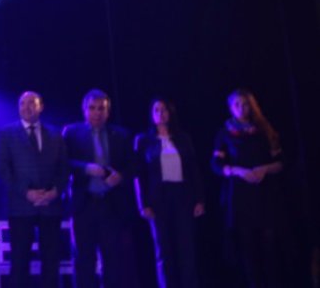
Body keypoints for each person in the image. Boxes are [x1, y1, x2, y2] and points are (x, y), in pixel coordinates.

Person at [62, 89, 138, 288]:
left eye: (101, 108)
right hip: (84, 205)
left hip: (111, 205)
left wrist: (121, 176)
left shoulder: (121, 135)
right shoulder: (72, 133)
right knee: (84, 260)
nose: (96, 112)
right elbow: (62, 162)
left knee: (112, 261)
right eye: (92, 108)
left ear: (108, 111)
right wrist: (85, 168)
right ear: (84, 110)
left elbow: (133, 166)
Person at [211, 89, 284, 288]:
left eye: (245, 104)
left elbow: (281, 162)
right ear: (230, 108)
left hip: (264, 194)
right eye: (237, 104)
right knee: (248, 249)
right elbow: (216, 164)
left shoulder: (264, 129)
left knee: (269, 246)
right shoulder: (225, 132)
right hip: (241, 197)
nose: (241, 108)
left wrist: (265, 169)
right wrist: (237, 171)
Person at [0, 91, 68, 288]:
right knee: (20, 261)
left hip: (50, 205)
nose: (26, 107)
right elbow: (3, 170)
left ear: (41, 106)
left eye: (31, 103)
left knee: (51, 261)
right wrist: (26, 192)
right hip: (20, 206)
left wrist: (55, 191)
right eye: (22, 103)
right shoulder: (6, 134)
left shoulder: (55, 134)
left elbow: (64, 168)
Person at [134, 99, 204, 288]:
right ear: (151, 114)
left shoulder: (183, 138)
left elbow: (193, 170)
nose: (161, 113)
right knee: (163, 250)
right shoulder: (143, 140)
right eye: (156, 110)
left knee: (186, 249)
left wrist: (199, 199)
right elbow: (139, 174)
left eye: (164, 109)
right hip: (158, 199)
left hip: (182, 196)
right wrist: (143, 204)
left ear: (170, 112)